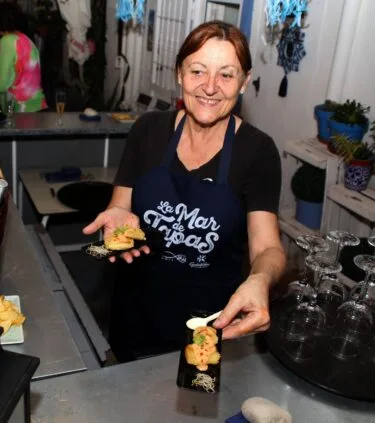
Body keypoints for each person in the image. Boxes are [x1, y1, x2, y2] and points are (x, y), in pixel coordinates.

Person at [83, 21, 286, 362]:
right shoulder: (148, 130)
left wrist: (261, 279)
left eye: (226, 75)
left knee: (192, 395)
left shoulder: (257, 152)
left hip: (207, 328)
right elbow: (120, 209)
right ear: (180, 73)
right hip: (135, 313)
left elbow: (268, 247)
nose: (210, 87)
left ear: (244, 82)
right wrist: (116, 225)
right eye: (197, 71)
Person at [0, 1, 47, 113]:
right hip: (37, 105)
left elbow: (0, 83)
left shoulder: (7, 41)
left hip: (21, 109)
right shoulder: (26, 39)